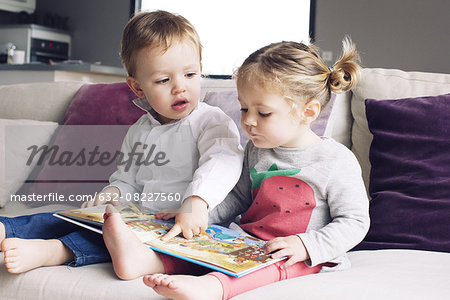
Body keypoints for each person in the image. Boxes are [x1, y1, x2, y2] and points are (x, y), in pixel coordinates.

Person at [0, 10, 243, 276]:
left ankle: (57, 251)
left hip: (185, 223)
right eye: (164, 80)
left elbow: (223, 162)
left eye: (190, 74)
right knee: (63, 216)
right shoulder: (140, 130)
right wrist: (113, 193)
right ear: (138, 88)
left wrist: (197, 201)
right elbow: (128, 179)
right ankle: (7, 228)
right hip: (141, 215)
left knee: (117, 240)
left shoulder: (211, 122)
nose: (180, 87)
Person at [139, 38, 370, 300]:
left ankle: (212, 288)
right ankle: (149, 261)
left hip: (300, 256)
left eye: (263, 113)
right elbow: (238, 197)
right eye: (244, 108)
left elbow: (355, 222)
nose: (248, 121)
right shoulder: (256, 149)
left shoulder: (336, 160)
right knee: (202, 247)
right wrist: (197, 216)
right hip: (248, 242)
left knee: (271, 265)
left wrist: (306, 245)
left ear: (308, 112)